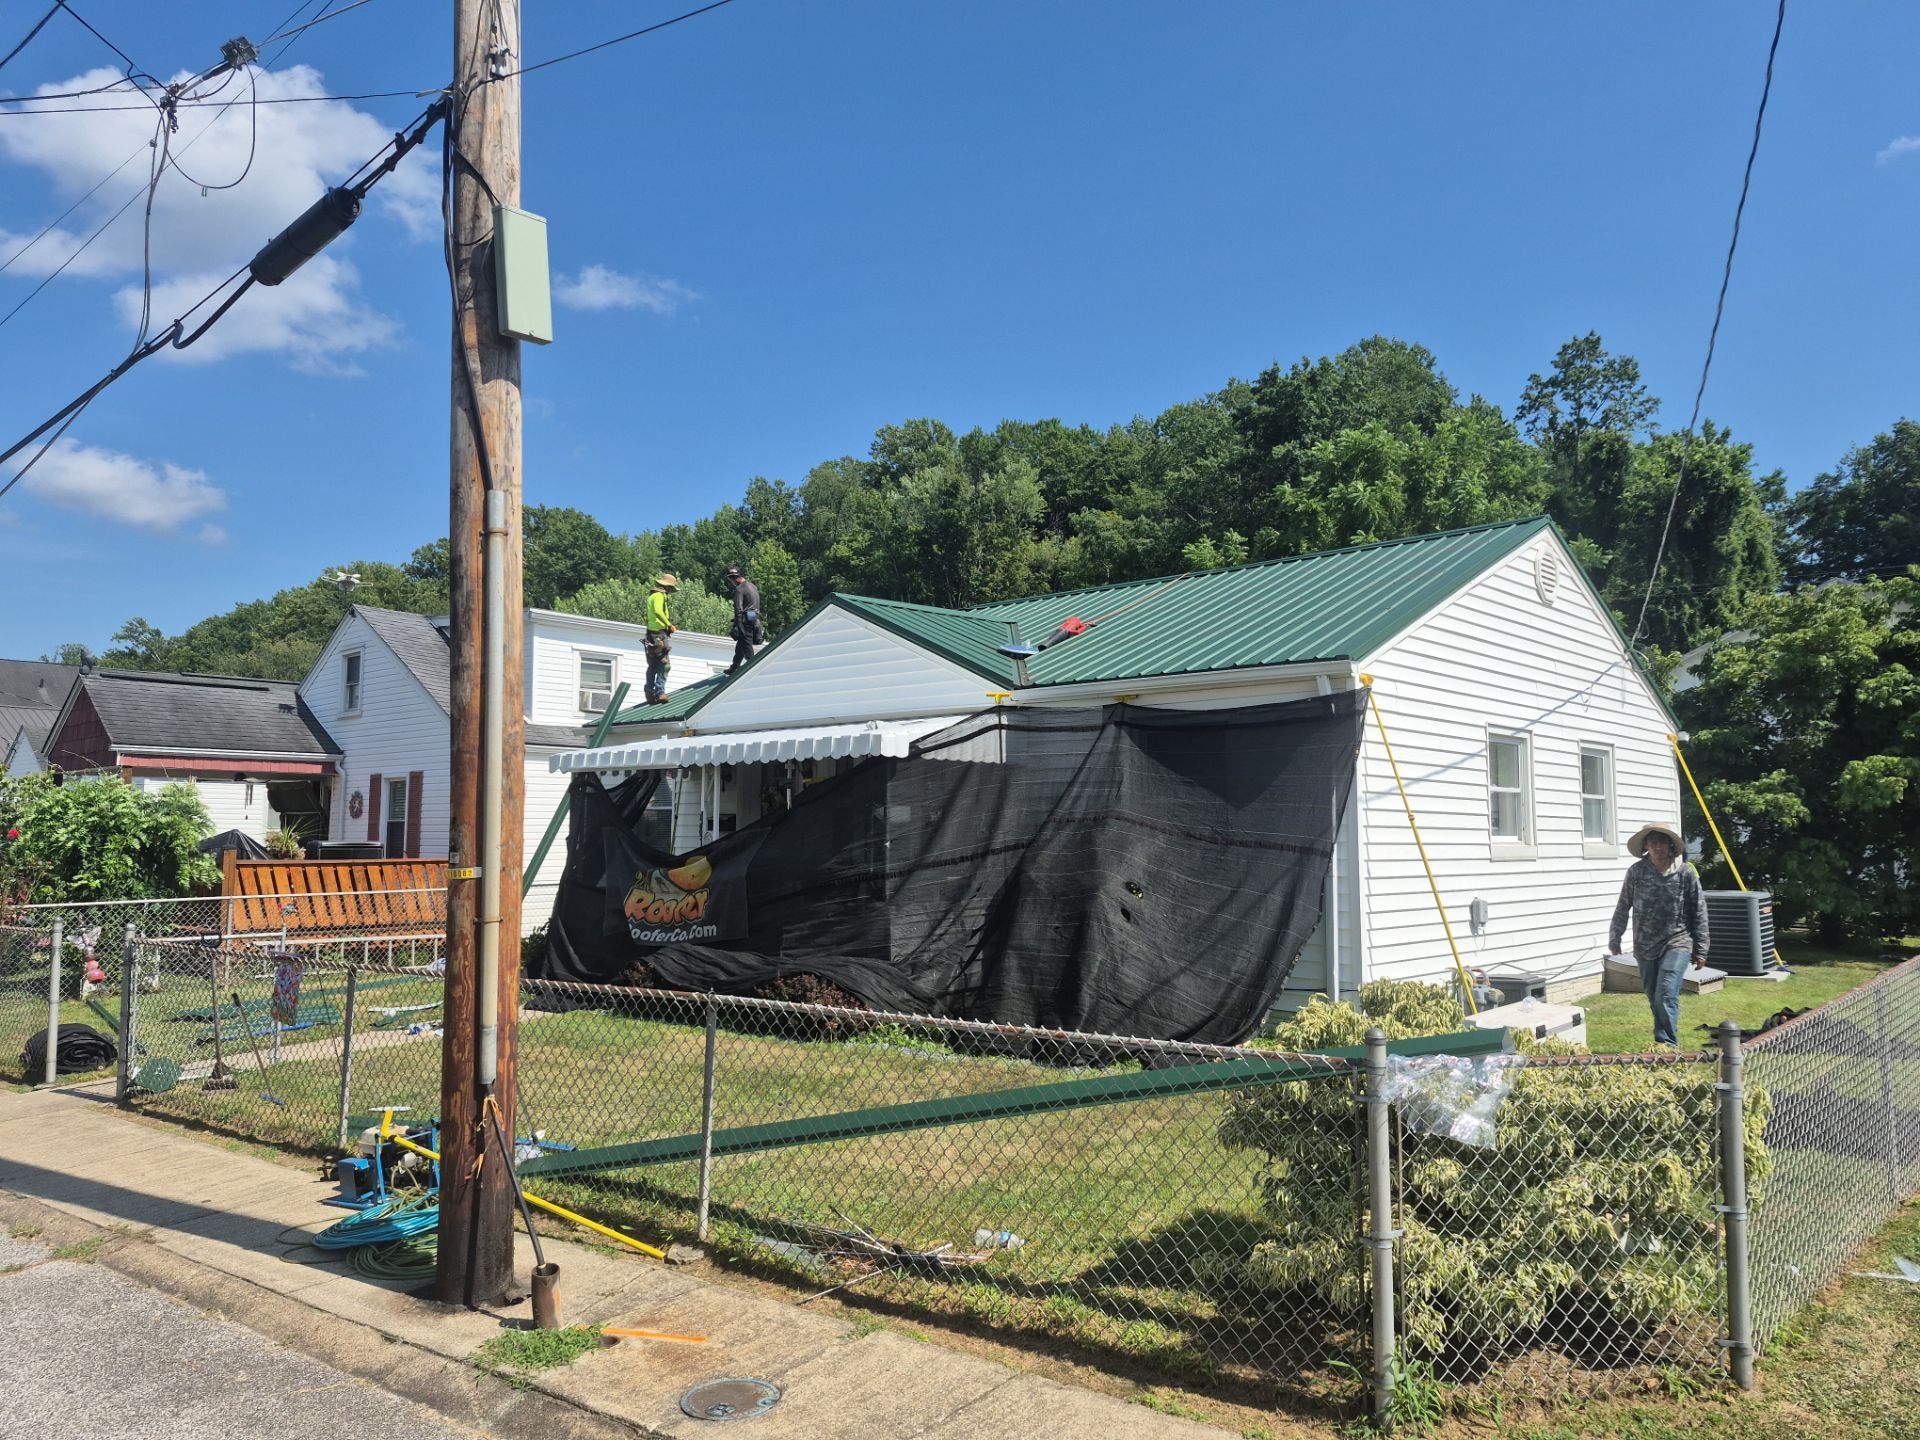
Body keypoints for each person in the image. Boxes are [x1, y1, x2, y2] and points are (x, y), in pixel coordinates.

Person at [1607, 822, 1710, 1048]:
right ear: (1646, 846)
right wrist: (1615, 937)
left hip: (1678, 940)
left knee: (1666, 991)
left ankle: (1667, 1044)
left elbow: (1699, 909)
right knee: (1654, 996)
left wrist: (1701, 948)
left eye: (1662, 842)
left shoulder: (1684, 872)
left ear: (1671, 846)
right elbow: (1623, 905)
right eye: (1653, 842)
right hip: (1645, 943)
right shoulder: (1636, 872)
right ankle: (1661, 1042)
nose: (1658, 847)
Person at [643, 573, 677, 704]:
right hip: (659, 634)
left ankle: (649, 691)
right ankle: (660, 692)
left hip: (651, 634)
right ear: (667, 587)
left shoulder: (652, 595)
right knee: (664, 664)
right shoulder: (659, 596)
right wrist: (669, 625)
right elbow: (658, 611)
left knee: (652, 665)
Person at [724, 564, 763, 673]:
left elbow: (738, 610)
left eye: (730, 579)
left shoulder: (739, 589)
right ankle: (734, 666)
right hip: (754, 621)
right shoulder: (752, 586)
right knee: (741, 647)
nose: (730, 582)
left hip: (745, 622)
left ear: (733, 578)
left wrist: (739, 627)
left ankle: (755, 670)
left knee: (747, 650)